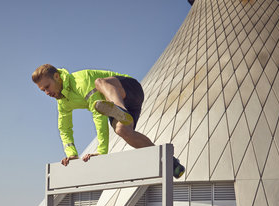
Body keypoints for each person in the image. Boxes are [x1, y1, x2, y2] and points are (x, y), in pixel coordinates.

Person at [32, 64, 184, 178]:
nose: (47, 93)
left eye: (47, 87)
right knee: (122, 131)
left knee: (99, 83)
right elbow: (64, 129)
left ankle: (120, 109)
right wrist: (72, 154)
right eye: (42, 90)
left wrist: (101, 151)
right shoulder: (63, 102)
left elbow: (98, 115)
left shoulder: (80, 82)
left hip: (128, 89)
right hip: (128, 106)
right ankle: (170, 163)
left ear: (57, 77)